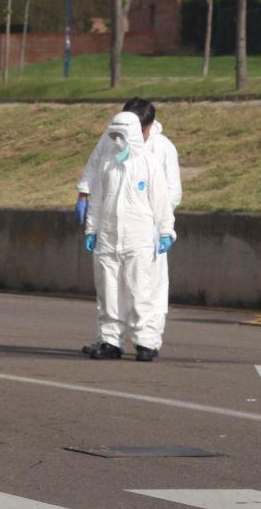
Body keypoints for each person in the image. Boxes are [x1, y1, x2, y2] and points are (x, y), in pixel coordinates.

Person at [75, 98, 182, 356]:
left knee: (142, 291)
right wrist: (91, 225)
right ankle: (110, 340)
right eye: (115, 134)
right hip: (110, 236)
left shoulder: (155, 157)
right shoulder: (108, 160)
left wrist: (165, 230)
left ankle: (146, 341)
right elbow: (97, 195)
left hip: (143, 236)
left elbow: (165, 197)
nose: (116, 139)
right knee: (109, 292)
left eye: (123, 134)